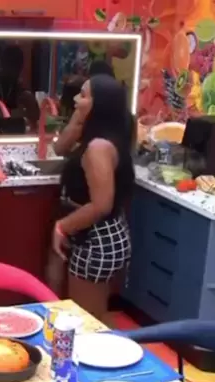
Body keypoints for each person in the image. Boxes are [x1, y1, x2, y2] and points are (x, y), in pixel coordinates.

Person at [51, 75, 134, 321]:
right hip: (100, 234)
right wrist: (79, 116)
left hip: (97, 238)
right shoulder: (102, 134)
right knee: (92, 313)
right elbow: (60, 148)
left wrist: (62, 226)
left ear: (100, 105)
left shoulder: (98, 147)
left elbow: (101, 205)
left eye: (84, 96)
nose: (76, 99)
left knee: (86, 321)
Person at [0, 45, 39, 128]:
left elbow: (35, 116)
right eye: (9, 68)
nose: (14, 73)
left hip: (13, 132)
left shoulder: (20, 89)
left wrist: (13, 112)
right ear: (1, 64)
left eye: (17, 69)